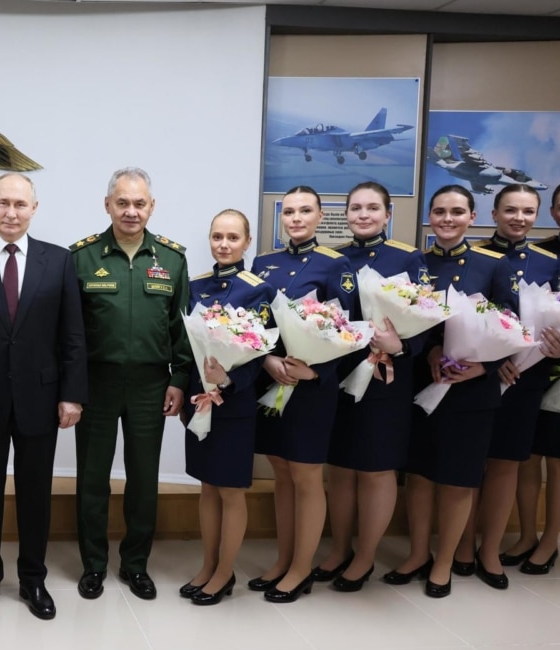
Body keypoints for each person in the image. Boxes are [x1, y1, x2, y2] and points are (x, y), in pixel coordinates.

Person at [0, 173, 87, 620]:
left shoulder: (59, 261)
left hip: (40, 399)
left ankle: (33, 579)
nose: (11, 212)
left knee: (35, 493)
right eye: (3, 203)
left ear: (34, 208)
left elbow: (73, 337)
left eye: (20, 205)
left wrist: (72, 396)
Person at [384, 184, 516, 599]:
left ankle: (444, 562)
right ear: (429, 217)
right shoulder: (416, 264)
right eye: (439, 211)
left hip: (472, 389)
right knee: (420, 476)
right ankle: (419, 553)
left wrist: (485, 364)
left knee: (459, 479)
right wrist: (433, 350)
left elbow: (512, 324)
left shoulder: (492, 265)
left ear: (472, 217)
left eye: (456, 211)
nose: (446, 218)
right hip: (426, 380)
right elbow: (407, 322)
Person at [70, 167, 192, 601]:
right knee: (92, 479)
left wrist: (179, 379)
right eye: (122, 202)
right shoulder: (80, 257)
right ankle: (94, 565)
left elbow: (183, 329)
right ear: (108, 205)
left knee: (144, 479)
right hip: (97, 385)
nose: (131, 211)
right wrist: (72, 389)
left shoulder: (172, 259)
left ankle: (136, 564)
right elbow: (71, 333)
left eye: (139, 203)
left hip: (150, 386)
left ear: (151, 207)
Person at [249, 185, 357, 603]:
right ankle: (283, 559)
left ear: (319, 216)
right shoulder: (263, 263)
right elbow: (254, 320)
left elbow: (349, 329)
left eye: (305, 211)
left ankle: (301, 567)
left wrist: (316, 370)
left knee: (307, 475)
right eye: (289, 211)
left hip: (312, 386)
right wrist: (266, 361)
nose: (296, 218)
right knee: (280, 471)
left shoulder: (336, 264)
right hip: (273, 380)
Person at [460, 184, 560, 589]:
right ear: (494, 212)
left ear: (537, 214)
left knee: (507, 464)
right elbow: (463, 317)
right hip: (478, 376)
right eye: (510, 210)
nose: (519, 218)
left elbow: (558, 317)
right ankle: (462, 544)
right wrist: (493, 361)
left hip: (525, 377)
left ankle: (490, 550)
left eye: (527, 211)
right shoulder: (474, 255)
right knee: (471, 464)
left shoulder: (547, 261)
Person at [318, 182, 424, 592]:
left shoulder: (407, 258)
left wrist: (403, 345)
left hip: (386, 376)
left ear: (388, 212)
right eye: (356, 207)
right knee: (341, 467)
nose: (363, 215)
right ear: (345, 213)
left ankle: (365, 558)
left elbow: (429, 319)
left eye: (372, 208)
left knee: (377, 469)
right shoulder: (334, 260)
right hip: (340, 375)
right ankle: (339, 548)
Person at [181, 209, 275, 606]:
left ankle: (225, 572)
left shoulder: (257, 289)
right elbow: (185, 344)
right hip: (199, 401)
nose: (224, 244)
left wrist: (229, 381)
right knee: (207, 487)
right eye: (217, 236)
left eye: (232, 238)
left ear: (247, 242)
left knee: (231, 490)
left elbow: (262, 350)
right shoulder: (195, 285)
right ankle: (208, 564)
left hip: (234, 403)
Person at [506, 178, 560, 575]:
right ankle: (526, 534)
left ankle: (551, 540)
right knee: (528, 456)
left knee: (559, 459)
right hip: (534, 365)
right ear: (552, 212)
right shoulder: (539, 253)